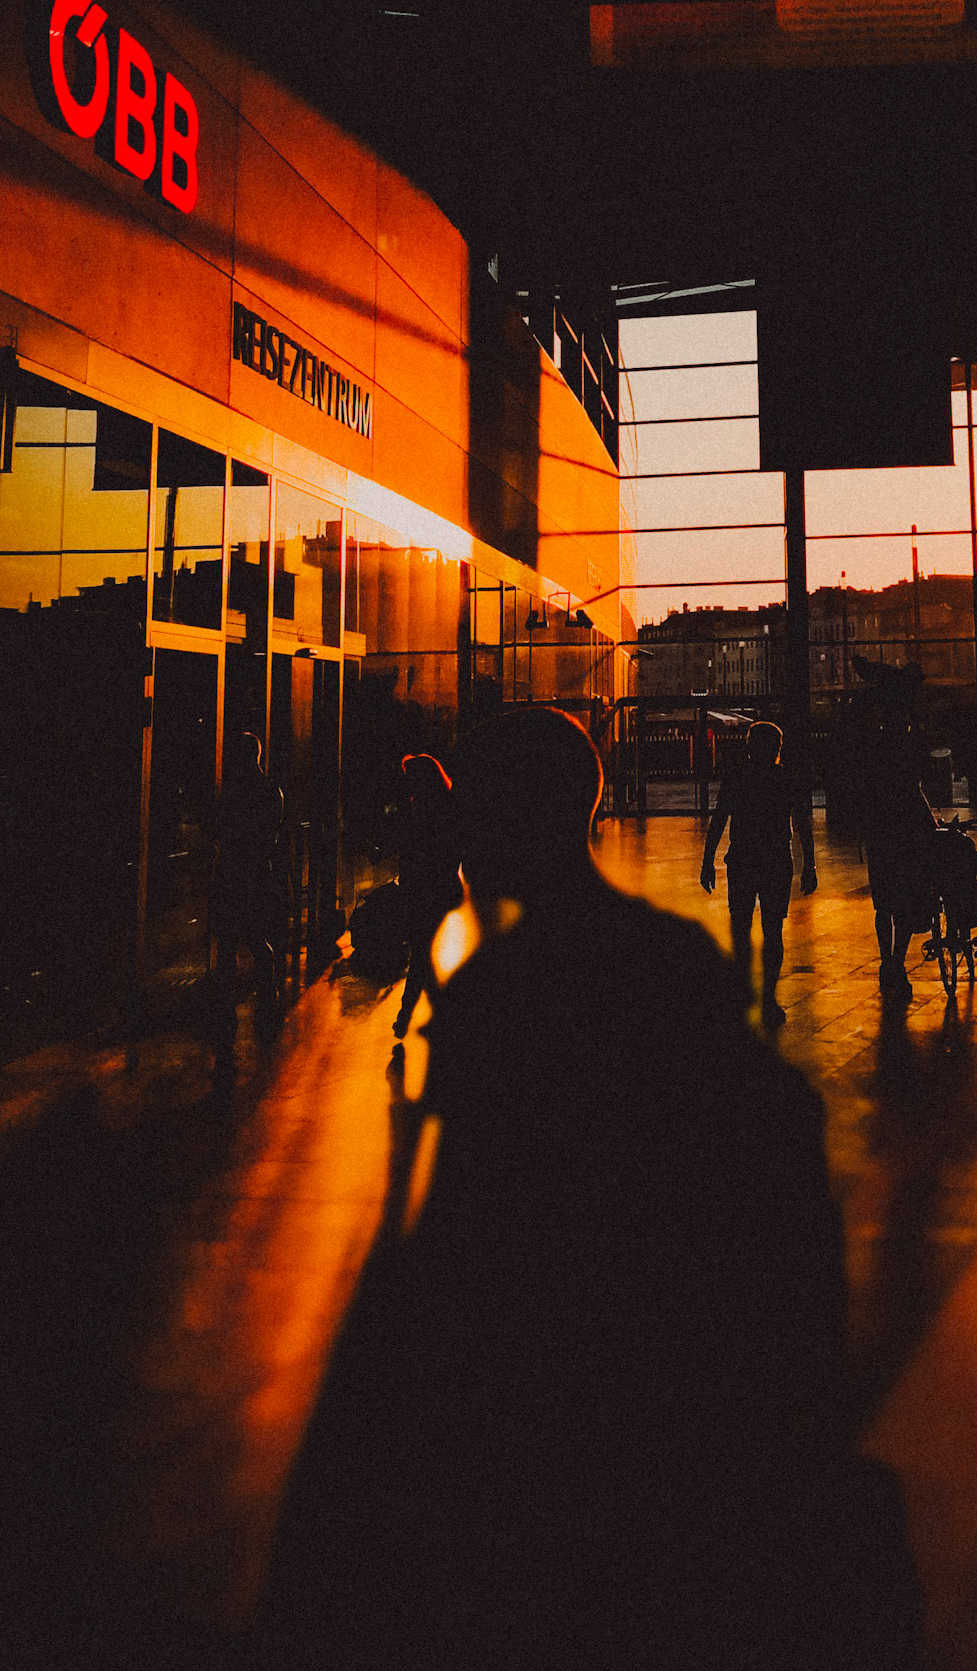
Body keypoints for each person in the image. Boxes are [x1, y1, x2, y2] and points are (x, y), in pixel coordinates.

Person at [261, 708, 918, 1670]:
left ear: (498, 822)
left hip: (563, 1457)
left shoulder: (510, 1000)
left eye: (469, 811)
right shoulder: (664, 971)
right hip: (673, 1454)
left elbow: (448, 1259)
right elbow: (783, 1205)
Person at [701, 720, 817, 1027]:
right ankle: (769, 997)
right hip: (776, 860)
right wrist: (810, 865)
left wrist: (707, 860)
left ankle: (743, 990)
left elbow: (719, 820)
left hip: (742, 859)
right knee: (772, 931)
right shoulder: (786, 778)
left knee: (741, 927)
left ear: (750, 747)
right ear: (778, 749)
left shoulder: (737, 777)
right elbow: (803, 824)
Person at [206, 731, 285, 1069]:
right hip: (256, 873)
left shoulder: (231, 793)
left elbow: (218, 830)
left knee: (226, 944)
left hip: (231, 873)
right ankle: (268, 999)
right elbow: (270, 836)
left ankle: (225, 1009)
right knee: (257, 939)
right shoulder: (270, 792)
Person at [858, 675, 938, 1003]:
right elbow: (916, 788)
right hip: (907, 836)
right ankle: (897, 962)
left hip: (880, 836)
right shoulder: (908, 752)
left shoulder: (873, 750)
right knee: (904, 904)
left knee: (883, 906)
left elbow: (865, 790)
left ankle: (886, 961)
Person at [390, 752, 462, 1045]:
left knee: (421, 955)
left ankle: (408, 1014)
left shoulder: (412, 811)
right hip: (444, 891)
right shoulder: (448, 808)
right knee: (433, 955)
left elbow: (402, 848)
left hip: (419, 892)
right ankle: (437, 1015)